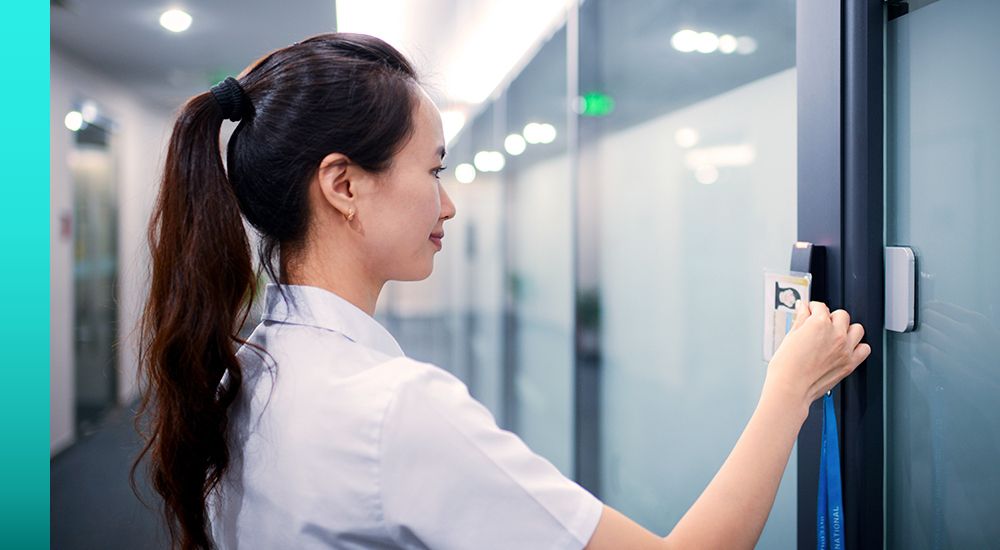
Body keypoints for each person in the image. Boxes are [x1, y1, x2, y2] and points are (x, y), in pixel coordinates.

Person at [133, 32, 871, 550]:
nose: (447, 205)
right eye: (433, 171)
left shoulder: (252, 365)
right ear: (344, 184)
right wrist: (789, 389)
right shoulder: (392, 409)